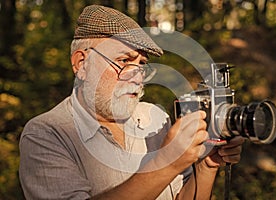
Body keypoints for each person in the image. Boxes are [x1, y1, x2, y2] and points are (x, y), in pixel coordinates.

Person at [19, 5, 244, 200]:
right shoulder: (46, 133)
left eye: (141, 65)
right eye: (124, 61)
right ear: (81, 64)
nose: (136, 76)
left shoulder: (154, 118)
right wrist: (166, 162)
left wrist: (206, 166)